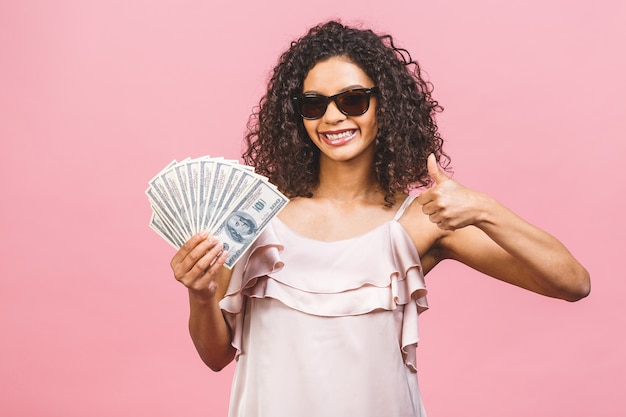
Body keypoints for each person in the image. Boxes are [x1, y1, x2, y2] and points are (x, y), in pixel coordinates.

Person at [169, 20, 590, 417]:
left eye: (353, 100)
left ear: (383, 104)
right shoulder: (253, 217)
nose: (333, 117)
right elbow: (216, 356)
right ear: (296, 116)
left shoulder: (420, 221)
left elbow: (572, 283)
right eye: (313, 105)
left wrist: (485, 209)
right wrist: (201, 294)